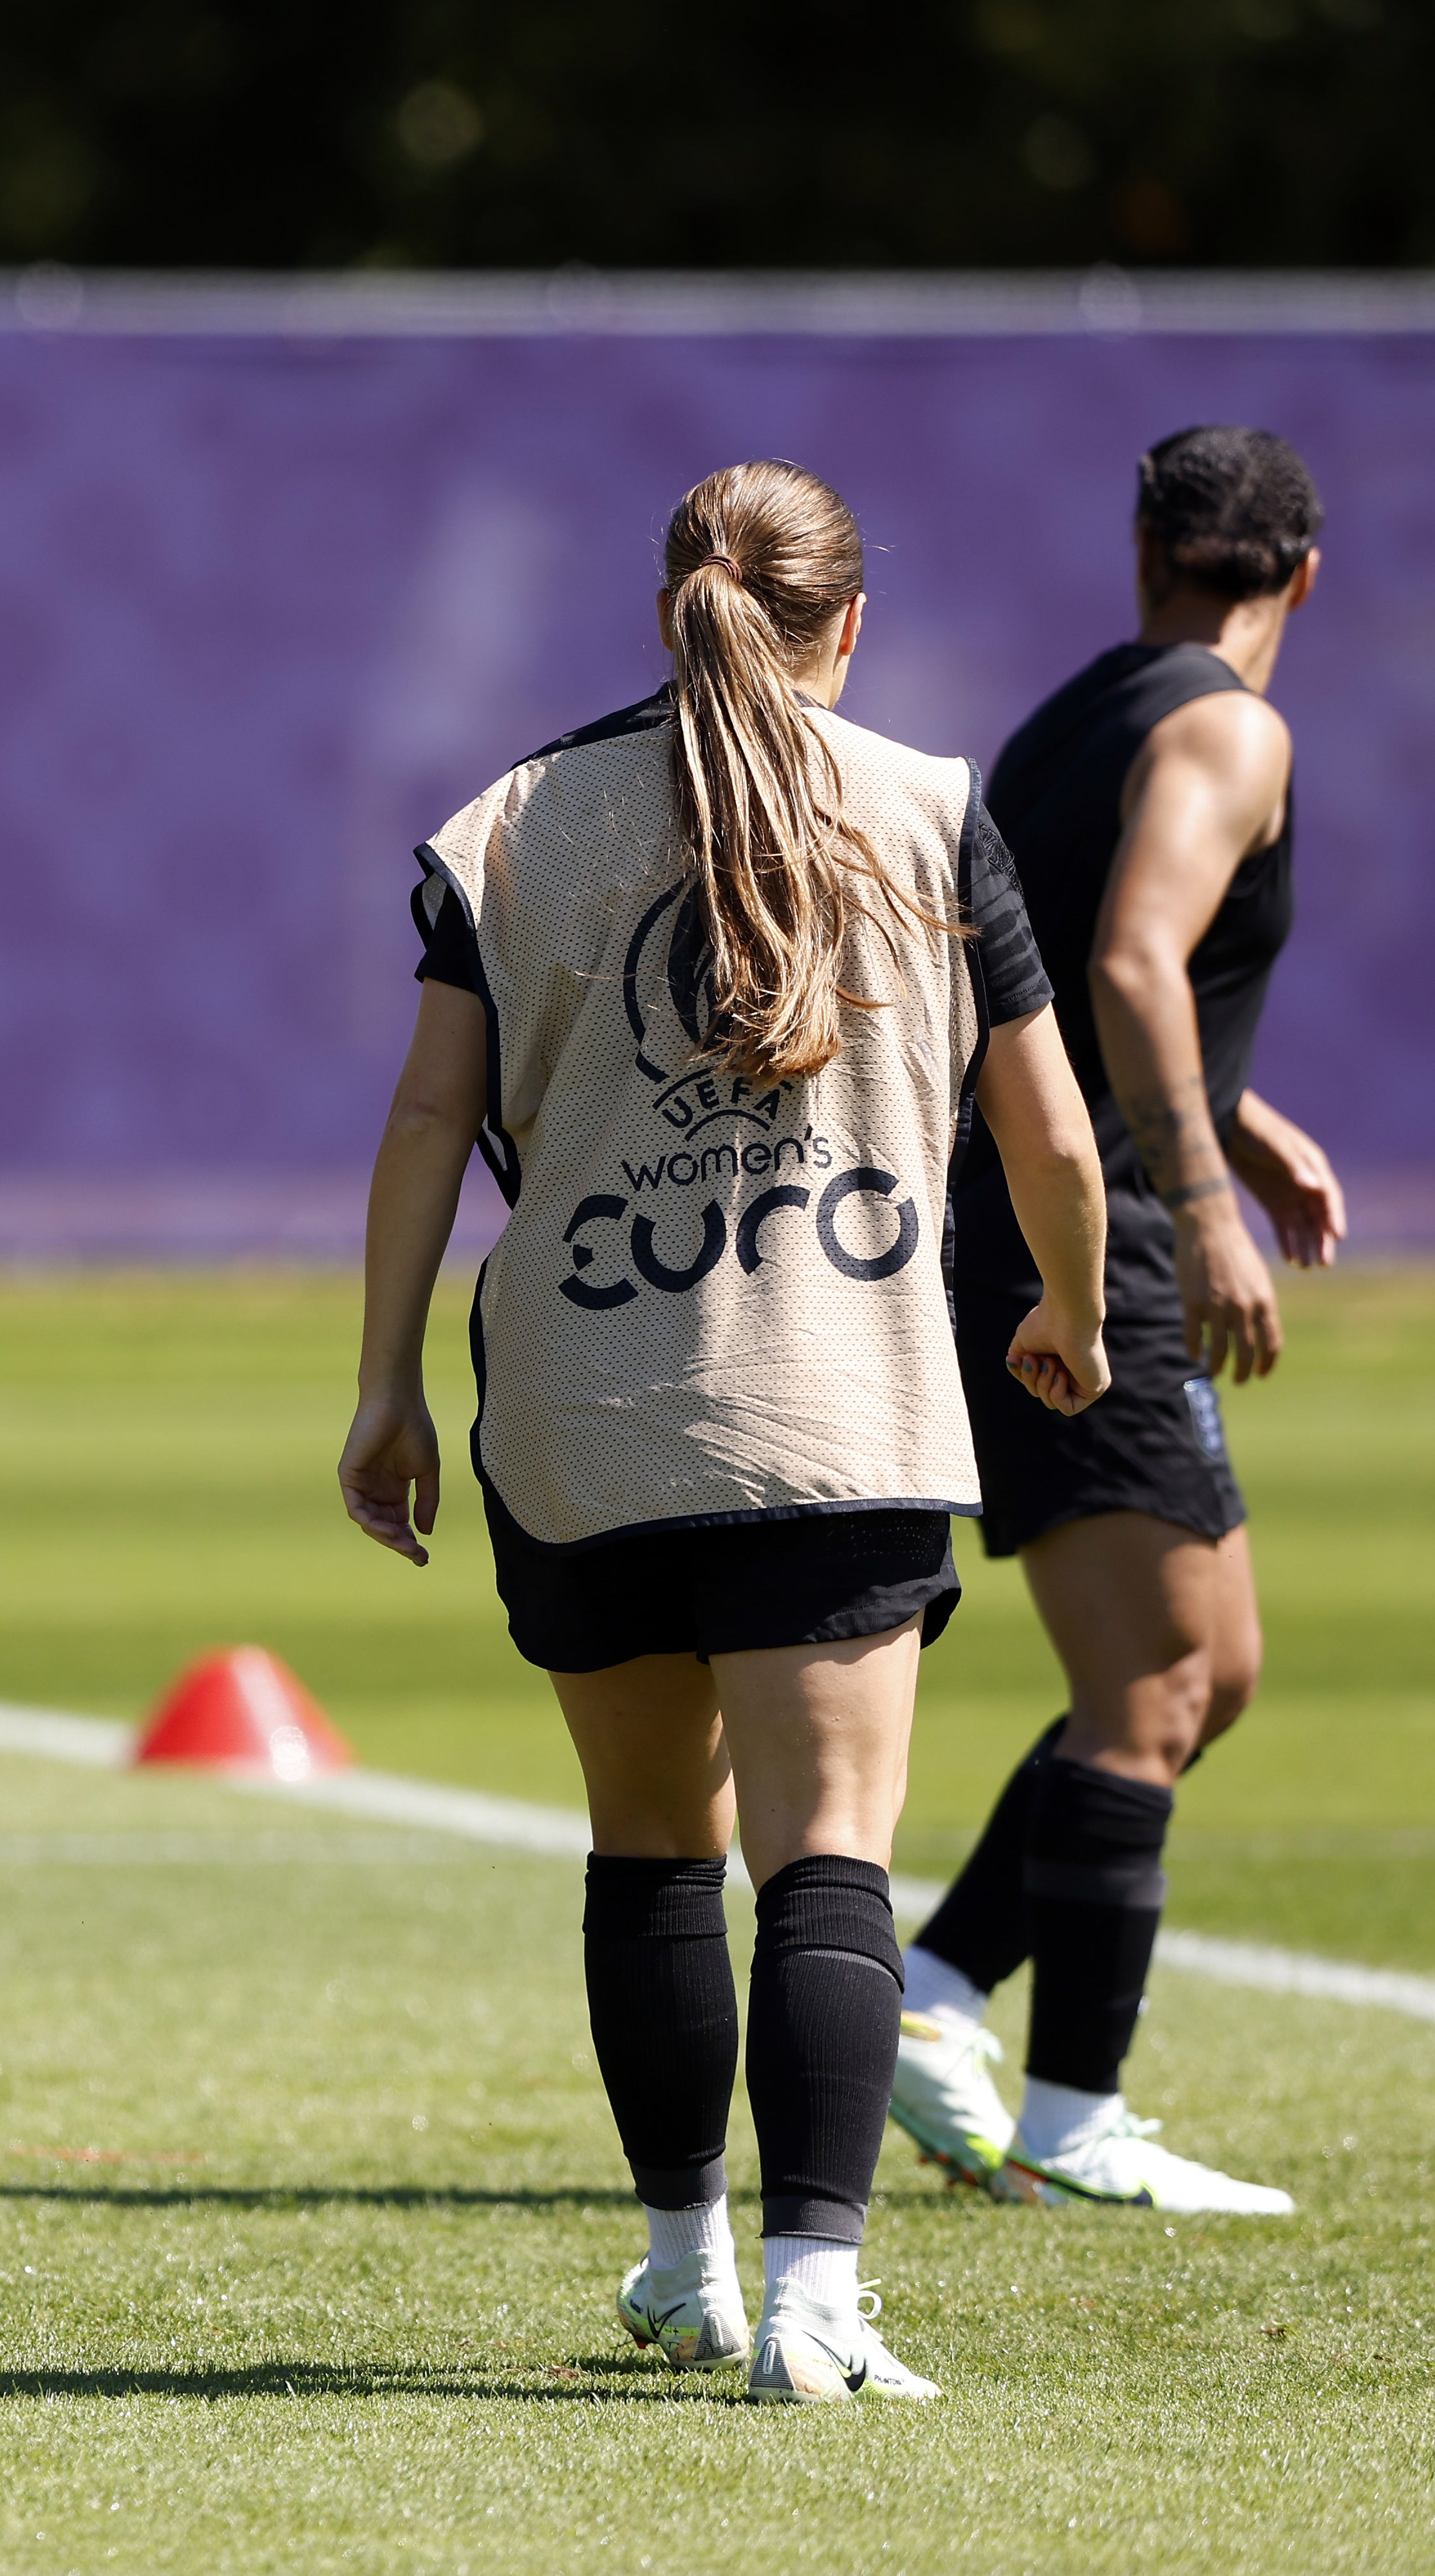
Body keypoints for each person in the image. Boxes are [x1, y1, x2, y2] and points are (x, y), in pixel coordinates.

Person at [340, 460, 1109, 2405]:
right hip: (836, 1402)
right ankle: (817, 2305)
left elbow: (430, 1120)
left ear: (665, 611)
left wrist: (384, 1385)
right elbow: (1052, 1132)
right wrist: (1080, 1315)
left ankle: (684, 2261)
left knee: (649, 1850)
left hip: (587, 1413)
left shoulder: (516, 820)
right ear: (848, 623)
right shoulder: (931, 807)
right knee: (827, 1857)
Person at [887, 429, 1332, 2220]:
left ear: (1146, 547)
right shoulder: (1231, 728)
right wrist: (1202, 1202)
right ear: (1304, 574)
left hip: (1041, 1221)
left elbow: (1049, 978)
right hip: (1093, 1247)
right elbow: (1137, 964)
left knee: (1197, 1678)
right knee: (1154, 1688)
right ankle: (1073, 2114)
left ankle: (931, 1994)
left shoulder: (1081, 715)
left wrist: (1225, 1117)